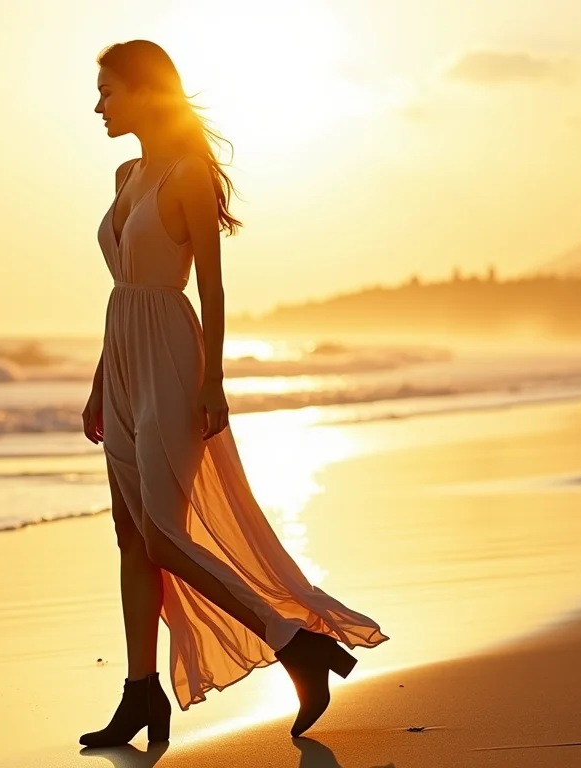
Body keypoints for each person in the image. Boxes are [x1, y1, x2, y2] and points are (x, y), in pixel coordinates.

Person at [79, 39, 388, 747]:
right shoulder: (126, 173)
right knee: (131, 537)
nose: (98, 106)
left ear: (146, 92)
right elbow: (120, 289)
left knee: (162, 532)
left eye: (108, 91)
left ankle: (291, 639)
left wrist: (213, 379)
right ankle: (139, 696)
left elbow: (211, 287)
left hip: (171, 359)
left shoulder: (187, 174)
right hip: (124, 357)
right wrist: (101, 381)